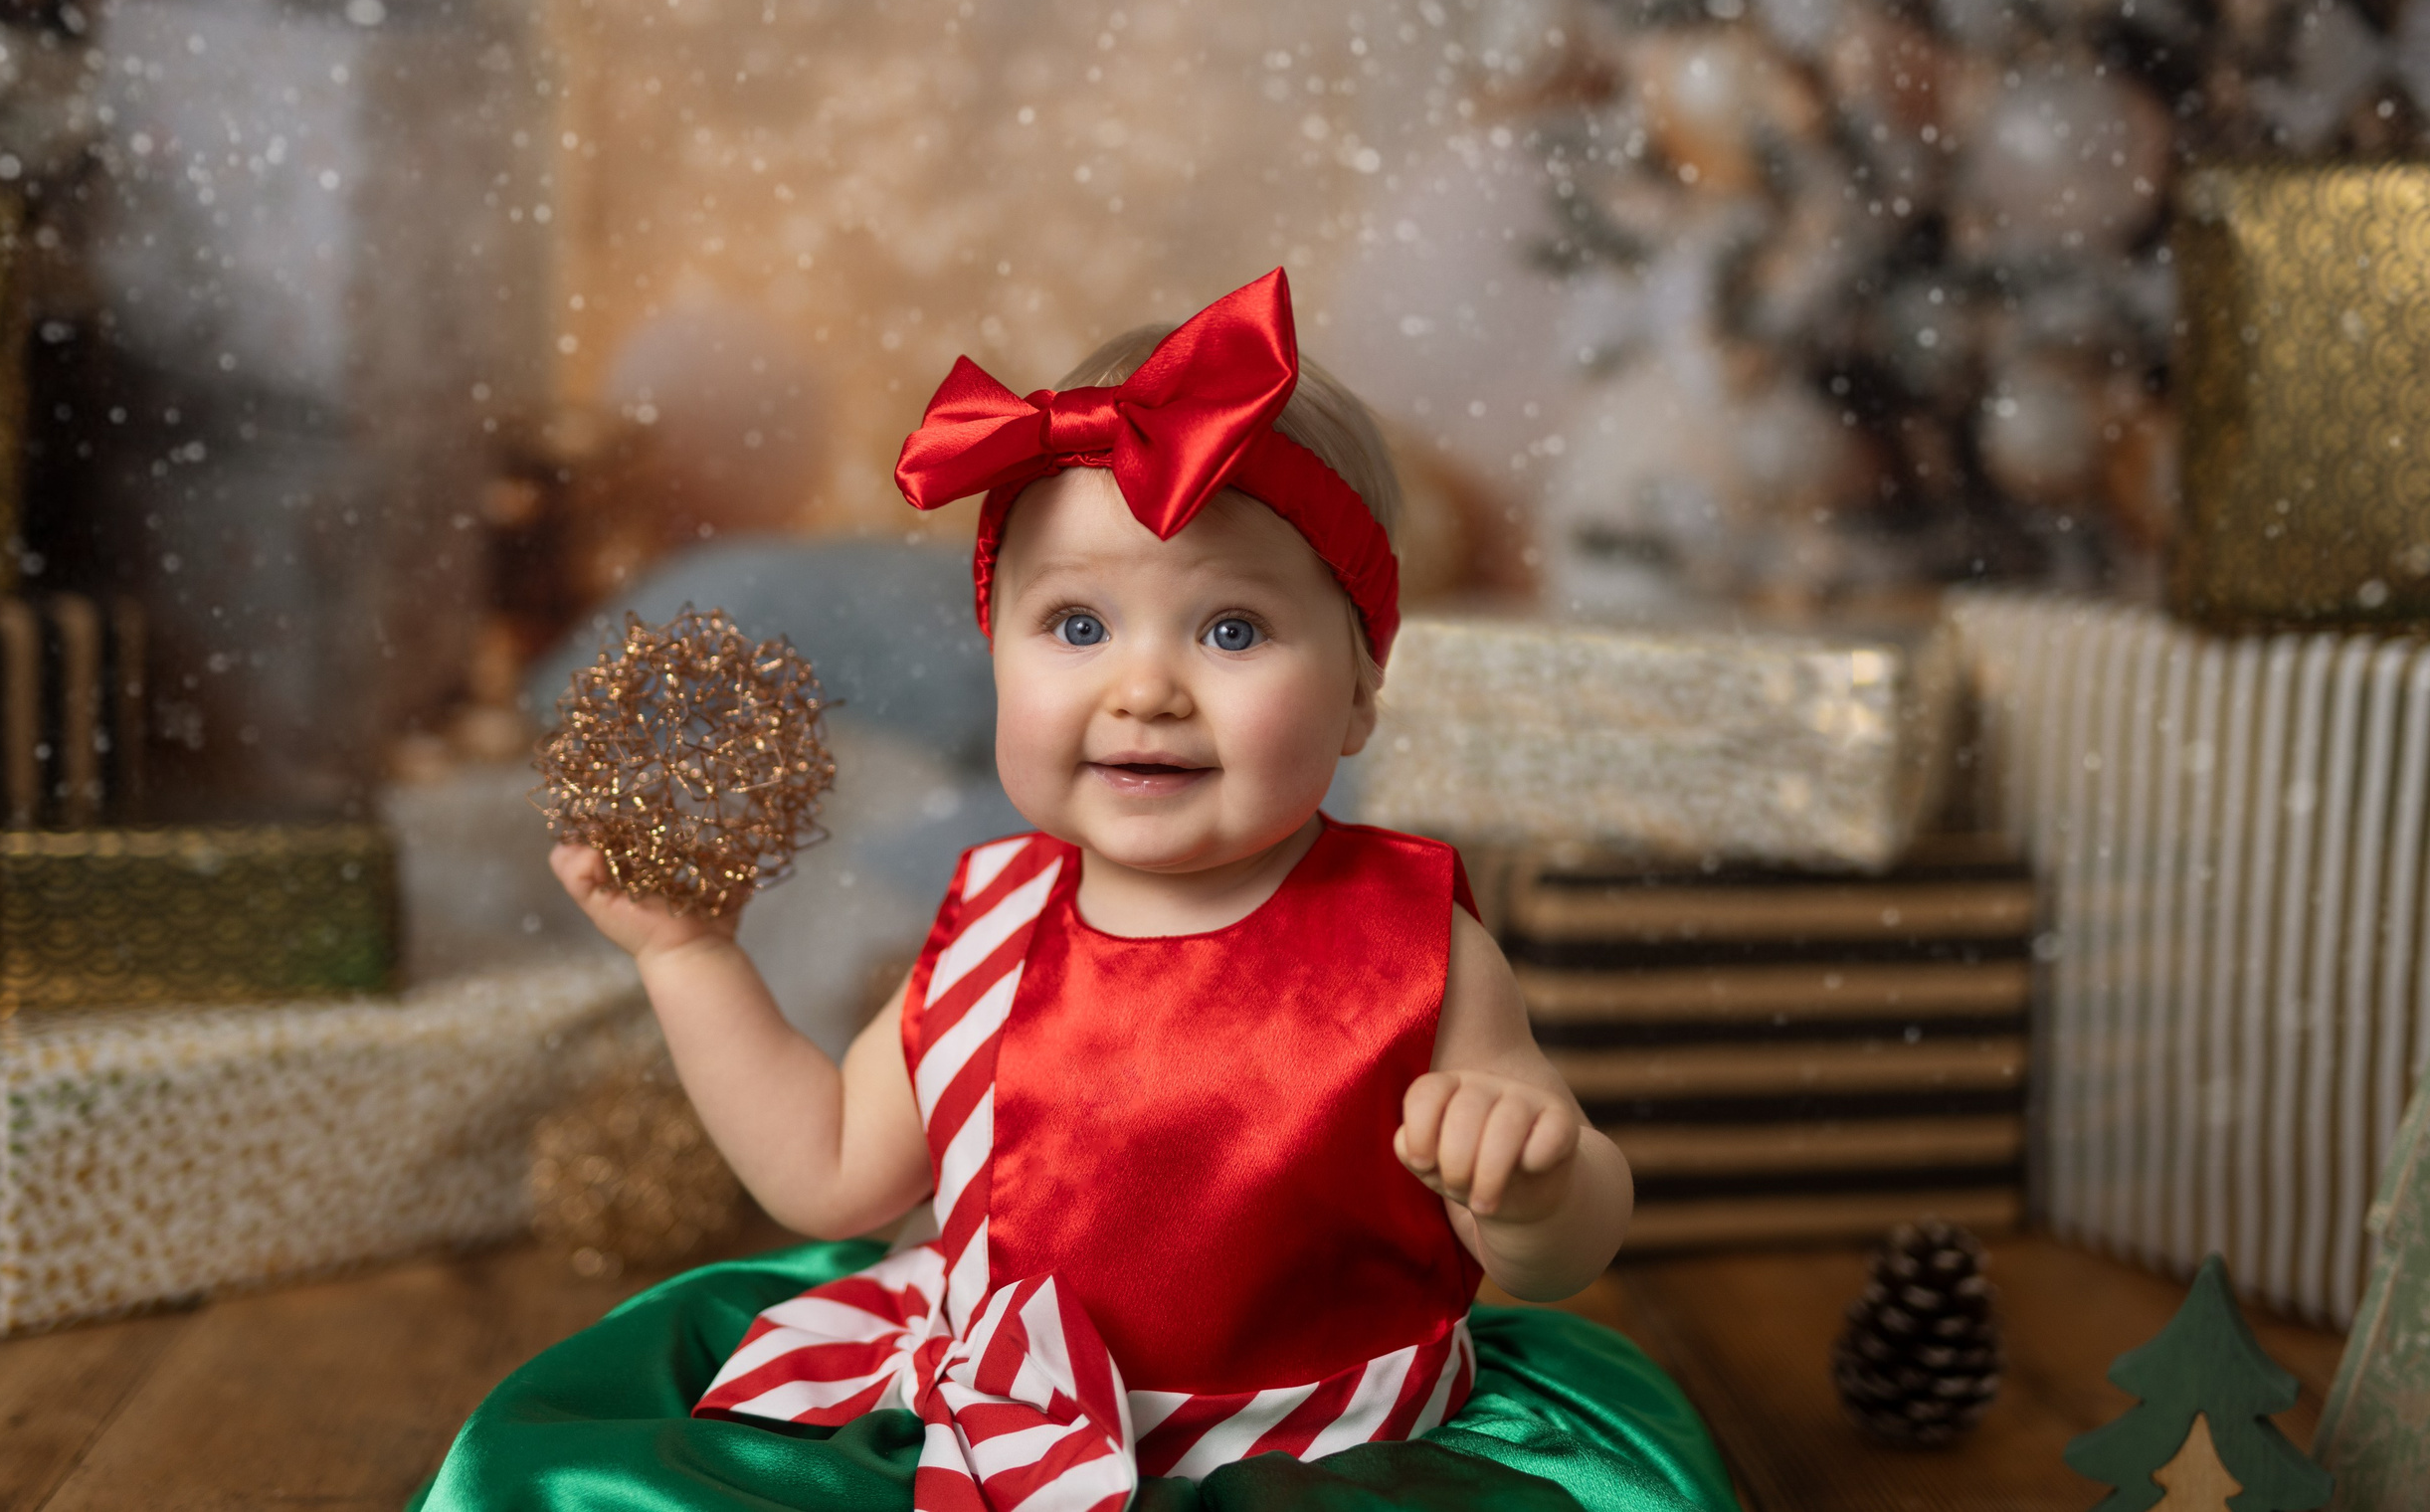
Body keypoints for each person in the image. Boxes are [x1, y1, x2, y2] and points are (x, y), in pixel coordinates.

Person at [414, 271, 1735, 1512]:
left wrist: (1532, 1185)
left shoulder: (1410, 942)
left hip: (1324, 1455)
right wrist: (687, 959)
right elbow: (827, 1175)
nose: (1144, 687)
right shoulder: (988, 923)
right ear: (996, 656)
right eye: (1078, 626)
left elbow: (1559, 1258)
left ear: (1361, 692)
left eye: (1232, 629)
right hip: (990, 1424)